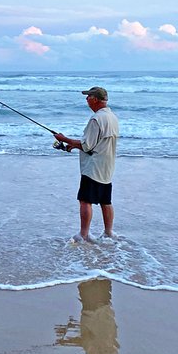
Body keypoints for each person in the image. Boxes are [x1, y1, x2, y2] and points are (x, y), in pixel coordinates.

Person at [54, 87, 119, 242]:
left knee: (85, 200)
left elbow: (87, 145)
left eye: (88, 96)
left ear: (95, 99)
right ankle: (109, 232)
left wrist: (64, 139)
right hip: (107, 165)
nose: (86, 99)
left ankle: (84, 235)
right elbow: (97, 143)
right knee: (105, 201)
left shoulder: (96, 119)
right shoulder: (112, 117)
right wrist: (74, 145)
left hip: (93, 167)